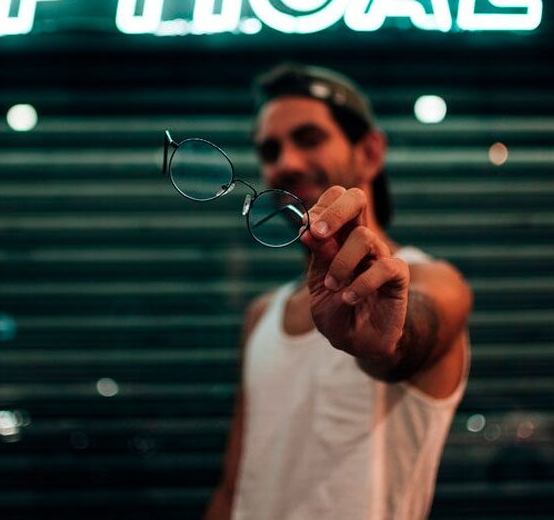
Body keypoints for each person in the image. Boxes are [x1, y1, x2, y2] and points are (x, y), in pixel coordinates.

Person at [202, 63, 473, 520]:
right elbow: (234, 490)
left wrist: (384, 340)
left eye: (308, 139)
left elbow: (404, 340)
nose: (285, 163)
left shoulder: (435, 282)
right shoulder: (261, 315)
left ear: (369, 153)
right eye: (270, 150)